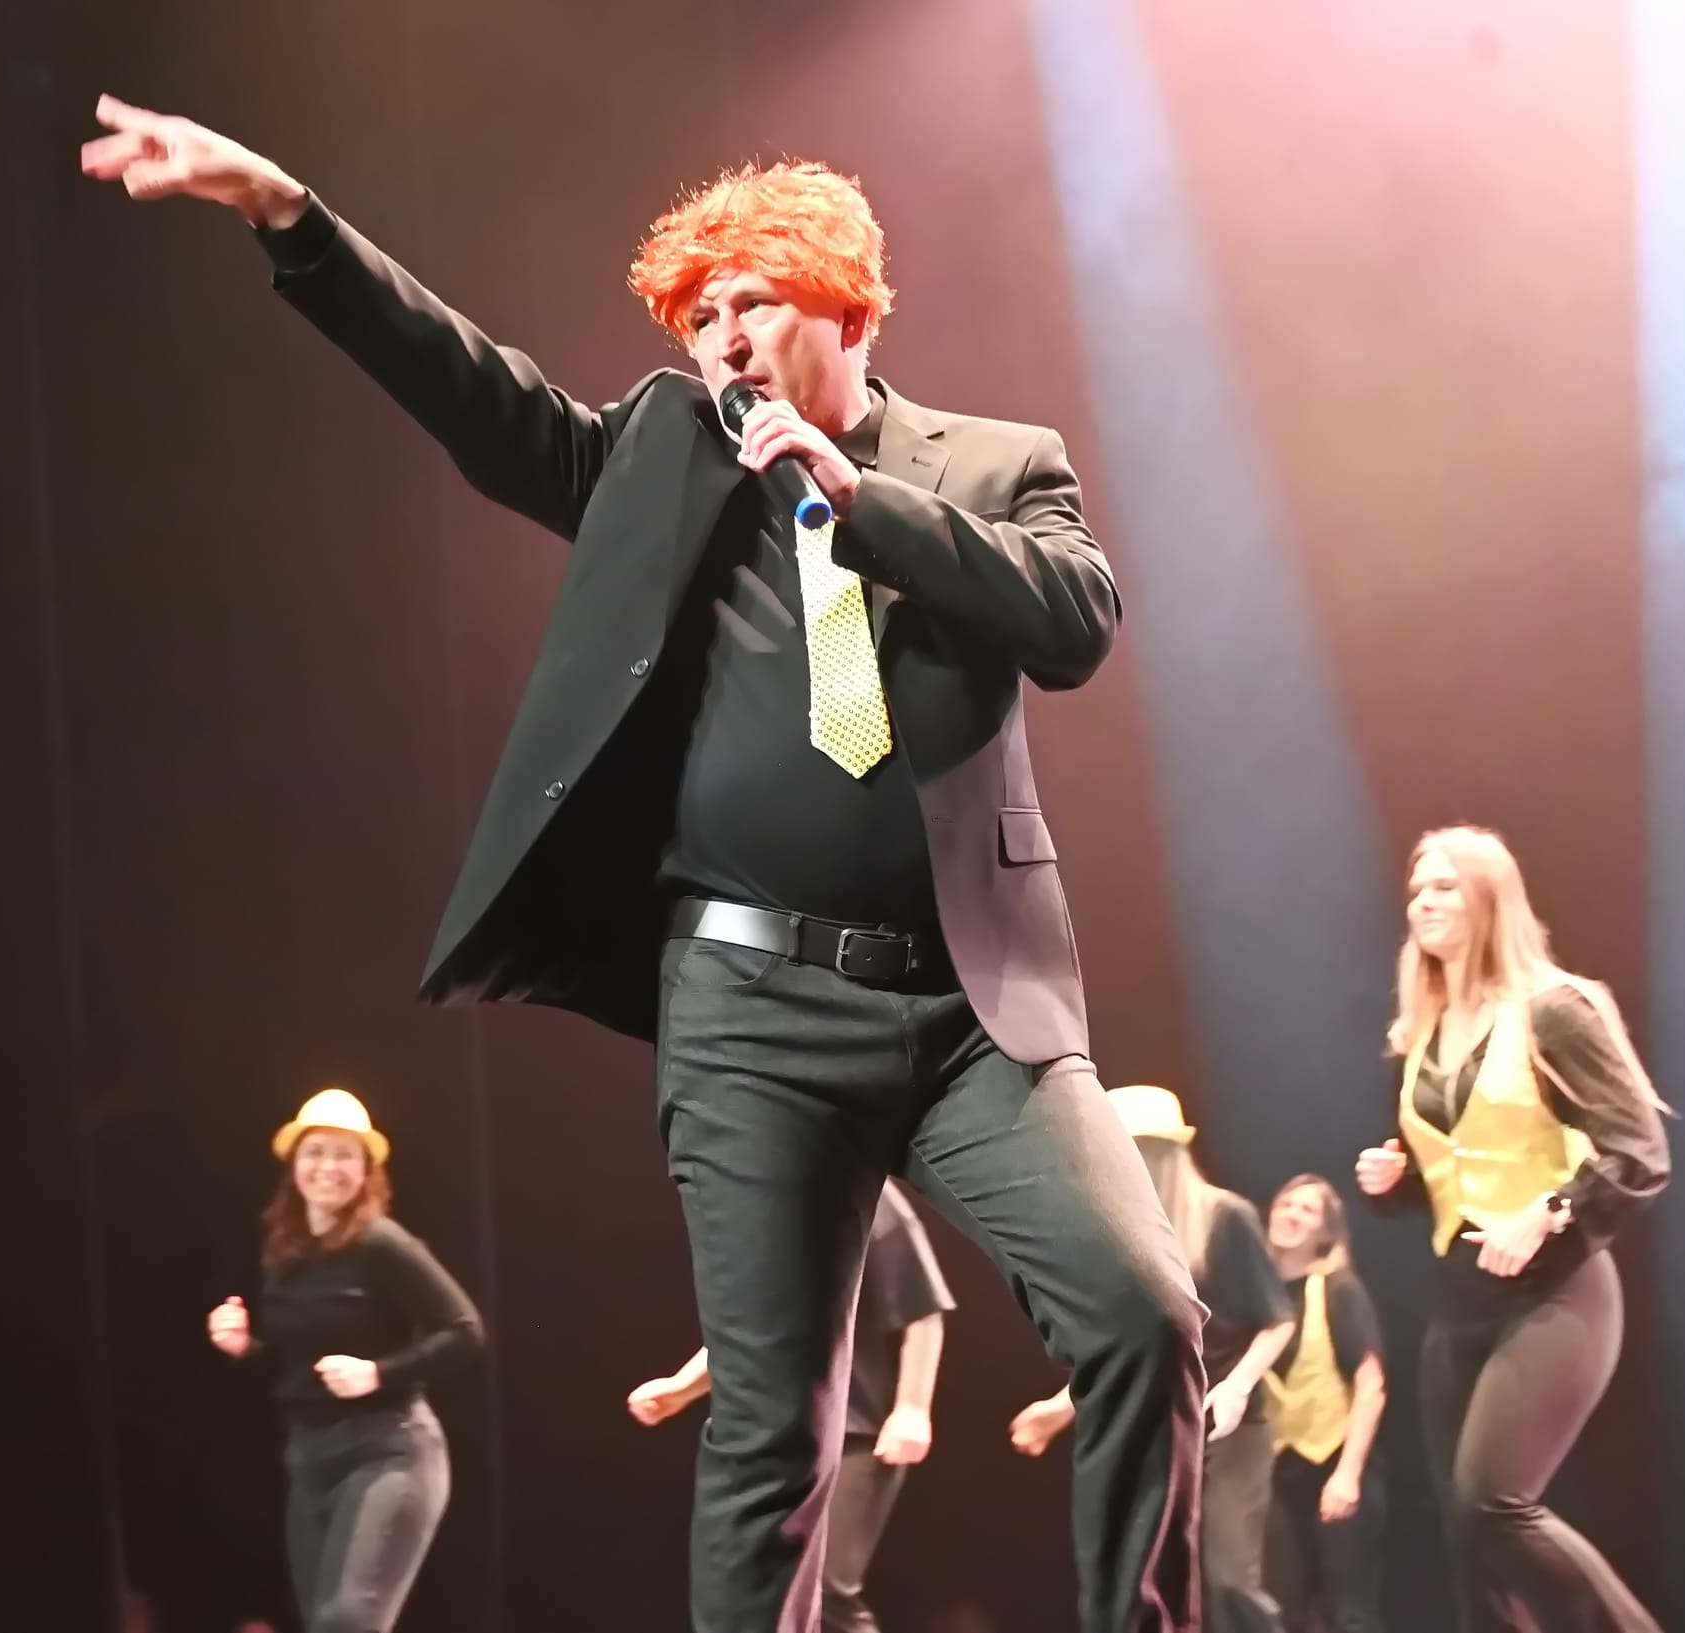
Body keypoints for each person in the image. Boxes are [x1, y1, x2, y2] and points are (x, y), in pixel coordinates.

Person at [83, 98, 1205, 1633]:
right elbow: (478, 394)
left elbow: (1075, 623)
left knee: (1145, 1314)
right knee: (772, 1426)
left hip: (973, 1012)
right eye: (698, 318)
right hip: (749, 1013)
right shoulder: (662, 455)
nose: (722, 340)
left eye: (752, 303)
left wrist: (859, 503)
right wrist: (289, 217)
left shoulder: (999, 463)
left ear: (844, 305)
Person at [1355, 826, 1669, 1633]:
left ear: (1490, 899)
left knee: (1492, 1503)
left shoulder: (1553, 1010)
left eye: (1444, 886)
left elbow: (1640, 1150)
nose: (1423, 902)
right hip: (1462, 1300)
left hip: (1556, 1291)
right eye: (1416, 889)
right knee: (1468, 1540)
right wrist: (1395, 1179)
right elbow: (1451, 1169)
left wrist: (1551, 1209)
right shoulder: (1414, 1035)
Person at [1012, 1086, 1292, 1633]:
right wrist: (1061, 1407)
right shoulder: (1113, 1236)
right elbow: (1126, 1348)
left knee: (1230, 1578)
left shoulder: (1224, 1218)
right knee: (1149, 1576)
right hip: (1156, 1421)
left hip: (1227, 1425)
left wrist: (1237, 1386)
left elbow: (1276, 1319)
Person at [207, 1088, 483, 1633]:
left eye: (344, 1154)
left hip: (387, 1451)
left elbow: (464, 1331)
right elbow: (293, 1366)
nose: (328, 1167)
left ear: (365, 1170)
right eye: (316, 1152)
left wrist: (378, 1372)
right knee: (323, 1623)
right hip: (310, 1461)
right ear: (294, 1164)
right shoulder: (285, 1249)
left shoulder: (381, 1242)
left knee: (346, 1621)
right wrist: (244, 1347)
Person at [628, 1179, 955, 1633]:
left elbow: (922, 1311)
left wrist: (913, 1408)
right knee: (761, 1590)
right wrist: (681, 1388)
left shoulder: (869, 1197)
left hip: (855, 1434)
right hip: (777, 1432)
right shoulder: (766, 1211)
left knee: (827, 1593)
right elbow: (750, 1330)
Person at [1260, 1175, 1387, 1633]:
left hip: (1336, 1465)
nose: (1292, 1214)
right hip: (1279, 1473)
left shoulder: (1339, 1289)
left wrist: (1347, 1474)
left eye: (1308, 1210)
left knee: (1350, 1614)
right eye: (1286, 1203)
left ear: (1326, 1232)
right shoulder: (1257, 1298)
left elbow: (1371, 1384)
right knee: (1281, 1608)